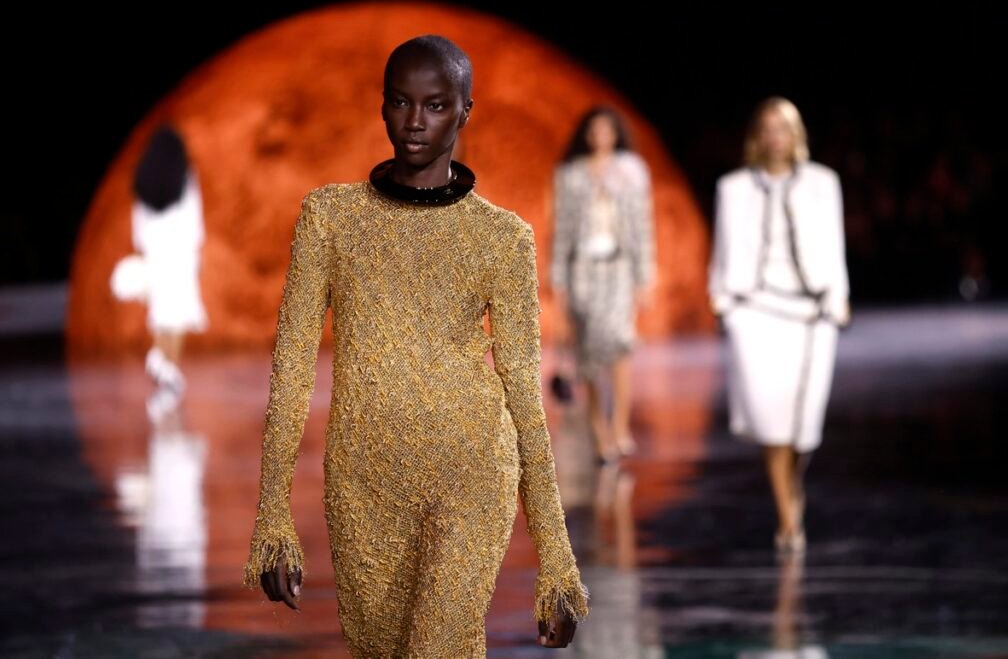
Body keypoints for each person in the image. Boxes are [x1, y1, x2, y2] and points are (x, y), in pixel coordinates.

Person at [243, 35, 588, 656]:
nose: (415, 122)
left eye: (435, 105)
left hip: (473, 467)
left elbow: (522, 389)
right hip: (362, 479)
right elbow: (292, 365)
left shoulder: (502, 237)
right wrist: (272, 514)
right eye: (401, 102)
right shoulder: (330, 218)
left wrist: (557, 558)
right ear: (382, 105)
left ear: (464, 111)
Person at [708, 97, 850, 555]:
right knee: (772, 420)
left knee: (803, 424)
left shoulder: (823, 183)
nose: (775, 137)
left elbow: (834, 245)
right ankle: (788, 519)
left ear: (796, 134)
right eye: (767, 128)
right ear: (756, 136)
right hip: (753, 310)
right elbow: (722, 246)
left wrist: (839, 298)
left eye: (783, 128)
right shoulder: (733, 187)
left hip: (811, 312)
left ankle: (792, 483)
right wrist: (722, 300)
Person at [550, 107, 656, 463]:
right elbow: (562, 230)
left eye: (606, 130)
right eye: (593, 130)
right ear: (586, 135)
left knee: (621, 343)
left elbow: (642, 225)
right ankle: (599, 429)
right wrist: (558, 280)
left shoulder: (631, 172)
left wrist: (644, 276)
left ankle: (620, 426)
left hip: (619, 268)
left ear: (616, 134)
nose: (599, 137)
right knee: (590, 352)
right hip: (583, 270)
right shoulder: (571, 175)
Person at [127, 125, 208, 393]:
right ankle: (168, 365)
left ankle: (161, 362)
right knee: (179, 310)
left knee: (162, 310)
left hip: (156, 249)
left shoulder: (143, 178)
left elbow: (139, 219)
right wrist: (197, 248)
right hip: (180, 249)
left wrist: (141, 249)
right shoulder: (185, 175)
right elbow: (193, 214)